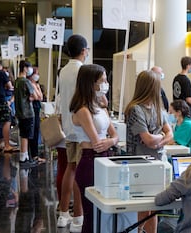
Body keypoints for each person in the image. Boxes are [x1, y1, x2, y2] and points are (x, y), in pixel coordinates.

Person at [70, 64, 118, 233]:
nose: (105, 84)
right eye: (102, 81)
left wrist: (111, 141)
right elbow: (97, 143)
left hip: (105, 158)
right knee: (91, 214)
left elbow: (115, 136)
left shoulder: (99, 107)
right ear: (91, 83)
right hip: (90, 160)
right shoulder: (83, 110)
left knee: (103, 213)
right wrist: (111, 140)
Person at [125, 70, 173, 233]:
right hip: (140, 165)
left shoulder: (158, 107)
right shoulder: (135, 109)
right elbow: (147, 140)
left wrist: (158, 140)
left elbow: (169, 134)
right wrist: (160, 138)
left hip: (158, 163)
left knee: (155, 205)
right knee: (144, 206)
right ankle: (140, 231)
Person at [57, 34, 90, 232]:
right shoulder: (83, 70)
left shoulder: (63, 71)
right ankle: (78, 217)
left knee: (70, 169)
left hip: (69, 127)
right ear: (84, 50)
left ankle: (63, 214)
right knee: (80, 174)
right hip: (81, 128)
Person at [15, 60, 38, 167]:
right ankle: (24, 157)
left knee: (23, 133)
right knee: (26, 135)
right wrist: (31, 97)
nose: (31, 70)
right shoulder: (26, 82)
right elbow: (35, 96)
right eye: (30, 67)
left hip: (19, 111)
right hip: (28, 112)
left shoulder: (17, 81)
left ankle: (25, 156)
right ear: (25, 68)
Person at [27, 67, 45, 163]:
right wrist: (37, 94)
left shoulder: (36, 85)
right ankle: (33, 154)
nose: (37, 75)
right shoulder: (29, 84)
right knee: (32, 131)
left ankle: (35, 154)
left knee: (36, 130)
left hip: (37, 108)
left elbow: (40, 97)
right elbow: (36, 96)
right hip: (32, 109)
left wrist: (37, 91)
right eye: (36, 73)